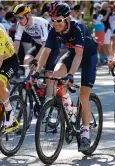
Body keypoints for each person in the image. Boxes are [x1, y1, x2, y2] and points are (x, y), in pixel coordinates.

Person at [31, 3, 98, 151]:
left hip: (88, 56)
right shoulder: (53, 30)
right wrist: (37, 71)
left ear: (67, 19)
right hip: (72, 54)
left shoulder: (78, 28)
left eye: (59, 20)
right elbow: (46, 52)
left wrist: (71, 75)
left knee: (83, 96)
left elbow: (79, 55)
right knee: (54, 77)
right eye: (53, 20)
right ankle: (71, 111)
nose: (55, 24)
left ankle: (86, 134)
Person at [13, 4, 59, 99]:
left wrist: (37, 60)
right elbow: (16, 42)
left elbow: (45, 45)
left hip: (51, 46)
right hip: (38, 45)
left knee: (48, 75)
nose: (19, 20)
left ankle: (49, 100)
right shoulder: (20, 24)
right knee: (27, 61)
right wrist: (12, 58)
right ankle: (34, 87)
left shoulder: (40, 22)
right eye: (17, 17)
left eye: (20, 17)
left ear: (28, 15)